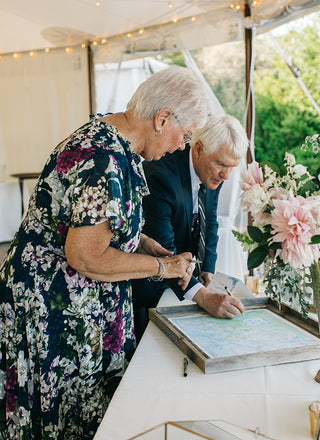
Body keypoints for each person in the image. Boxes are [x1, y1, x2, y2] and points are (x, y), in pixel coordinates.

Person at [0, 66, 209, 440]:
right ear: (162, 119)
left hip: (76, 307)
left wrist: (141, 242)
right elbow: (86, 256)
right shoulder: (101, 158)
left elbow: (95, 222)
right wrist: (163, 266)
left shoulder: (117, 140)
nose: (182, 145)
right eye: (186, 134)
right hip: (55, 313)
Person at [132, 114, 248, 341]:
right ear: (198, 149)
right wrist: (203, 296)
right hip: (150, 289)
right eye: (222, 164)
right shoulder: (160, 175)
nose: (226, 175)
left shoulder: (212, 172)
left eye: (232, 167)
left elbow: (210, 223)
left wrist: (207, 270)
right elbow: (164, 252)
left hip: (185, 282)